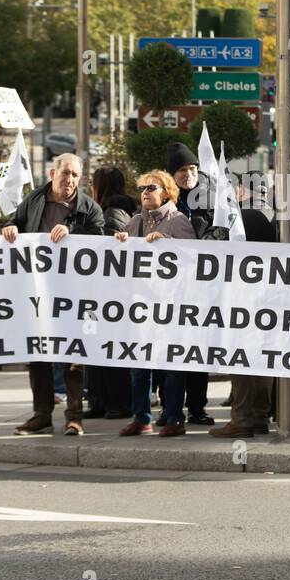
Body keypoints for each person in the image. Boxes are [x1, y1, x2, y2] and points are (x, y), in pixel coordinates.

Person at [0, 154, 104, 437]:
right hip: (36, 293)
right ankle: (42, 415)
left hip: (74, 296)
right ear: (52, 173)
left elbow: (100, 240)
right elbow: (16, 223)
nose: (70, 180)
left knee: (72, 357)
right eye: (66, 173)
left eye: (75, 175)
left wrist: (73, 231)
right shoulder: (35, 200)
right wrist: (9, 227)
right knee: (38, 355)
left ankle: (74, 417)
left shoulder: (89, 208)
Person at [114, 170, 197, 436]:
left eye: (152, 187)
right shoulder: (136, 221)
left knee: (171, 366)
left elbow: (195, 261)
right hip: (141, 305)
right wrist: (119, 243)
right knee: (139, 366)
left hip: (171, 306)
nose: (146, 192)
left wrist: (169, 246)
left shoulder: (178, 221)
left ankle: (174, 418)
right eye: (142, 188)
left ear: (167, 192)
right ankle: (142, 418)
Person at [209, 193, 281, 439]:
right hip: (267, 305)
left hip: (243, 305)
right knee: (262, 363)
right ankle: (260, 418)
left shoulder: (244, 222)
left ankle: (242, 420)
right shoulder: (267, 221)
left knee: (240, 362)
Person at [165, 143, 215, 426]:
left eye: (193, 169)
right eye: (183, 170)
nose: (189, 174)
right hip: (169, 291)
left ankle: (197, 407)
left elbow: (221, 232)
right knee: (169, 353)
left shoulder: (210, 198)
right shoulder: (164, 201)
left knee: (198, 352)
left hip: (201, 289)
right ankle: (170, 408)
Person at [84, 166, 138, 420]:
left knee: (105, 348)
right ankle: (101, 401)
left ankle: (114, 402)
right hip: (106, 295)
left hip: (106, 295)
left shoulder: (111, 214)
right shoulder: (117, 211)